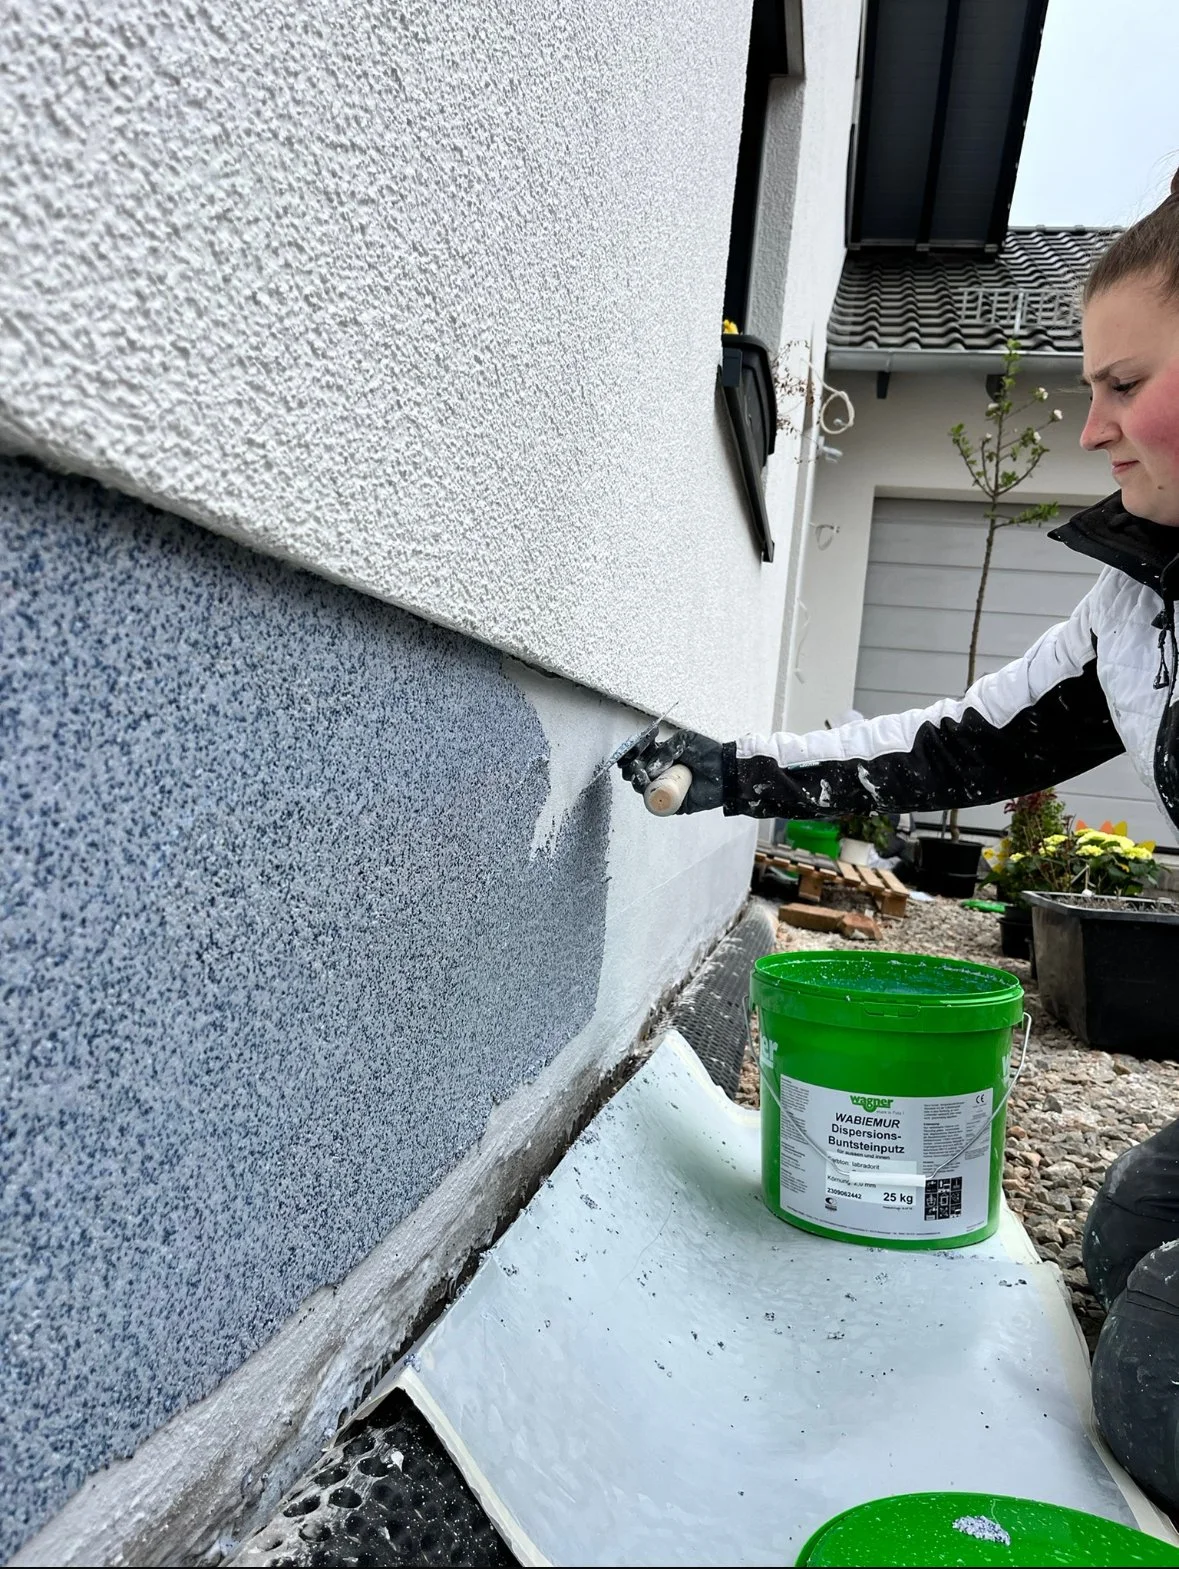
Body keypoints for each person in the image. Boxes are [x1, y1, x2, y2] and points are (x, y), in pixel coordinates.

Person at [622, 175, 1179, 1514]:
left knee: (1153, 1381)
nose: (1092, 424)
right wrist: (728, 769)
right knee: (1120, 1242)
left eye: (1121, 380)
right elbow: (959, 741)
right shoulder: (1139, 602)